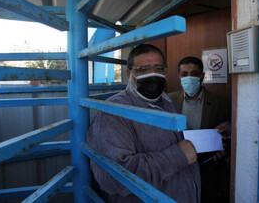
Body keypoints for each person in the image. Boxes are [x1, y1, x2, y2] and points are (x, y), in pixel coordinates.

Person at [87, 44, 201, 203]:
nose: (153, 74)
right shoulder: (113, 112)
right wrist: (177, 157)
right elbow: (113, 178)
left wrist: (207, 145)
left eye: (158, 68)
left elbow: (185, 145)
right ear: (129, 73)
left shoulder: (169, 103)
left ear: (166, 72)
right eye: (143, 69)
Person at [168, 56, 231, 203]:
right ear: (179, 76)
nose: (189, 78)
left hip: (208, 167)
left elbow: (229, 138)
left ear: (202, 76)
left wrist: (224, 146)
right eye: (184, 74)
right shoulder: (169, 100)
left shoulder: (221, 103)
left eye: (194, 74)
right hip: (178, 164)